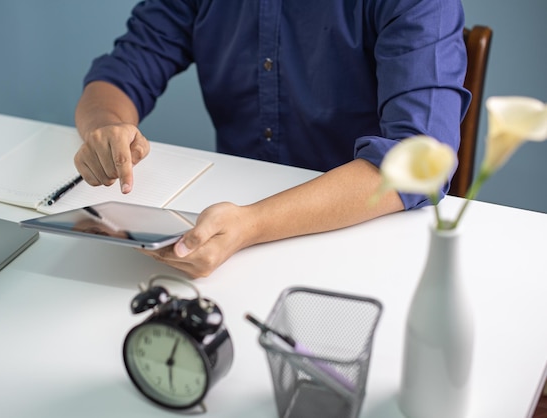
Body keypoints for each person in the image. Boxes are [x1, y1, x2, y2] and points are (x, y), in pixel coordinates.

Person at [74, 0, 471, 278]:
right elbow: (122, 70)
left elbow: (420, 163)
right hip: (227, 224)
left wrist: (253, 224)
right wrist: (105, 127)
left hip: (364, 234)